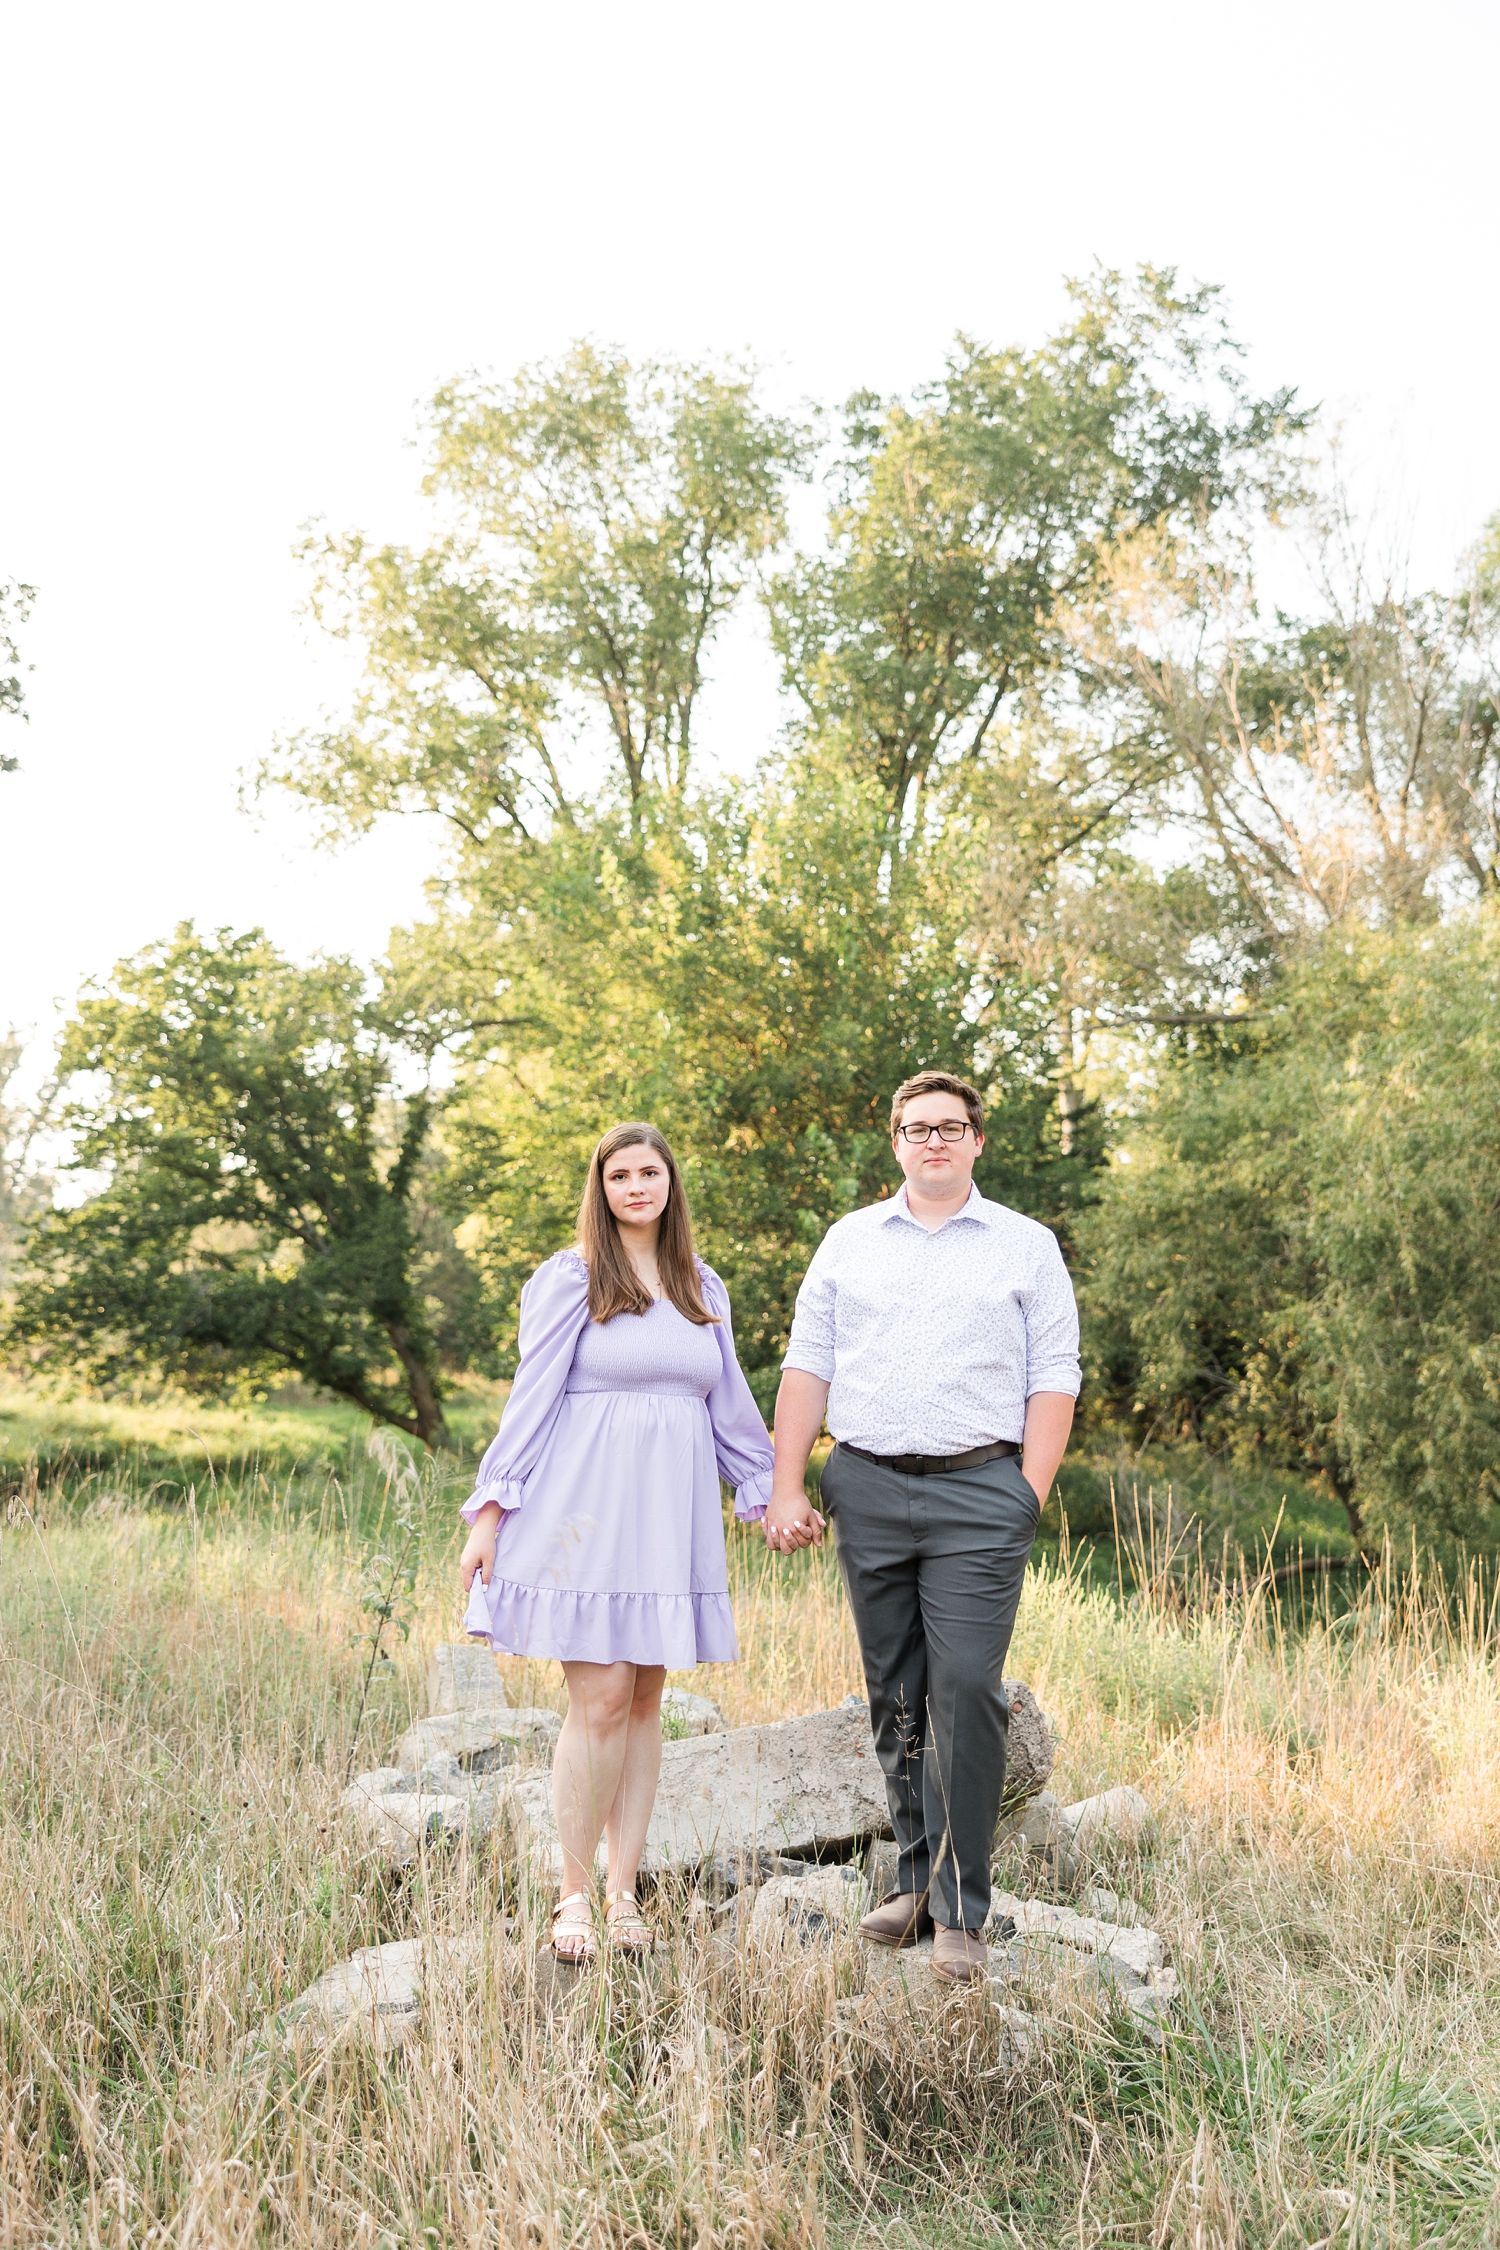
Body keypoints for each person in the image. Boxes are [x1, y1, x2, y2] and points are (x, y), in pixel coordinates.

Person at [764, 1069, 1079, 1984]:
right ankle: (914, 1882)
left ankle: (963, 1912)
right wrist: (790, 1485)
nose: (933, 1140)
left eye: (951, 1127)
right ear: (895, 1142)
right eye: (916, 1127)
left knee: (968, 1691)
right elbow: (806, 1365)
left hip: (981, 1490)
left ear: (978, 1141)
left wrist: (1028, 1492)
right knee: (895, 1692)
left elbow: (1055, 1374)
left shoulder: (1025, 1246)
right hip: (865, 1487)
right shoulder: (849, 1241)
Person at [458, 1122, 773, 1963]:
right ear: (600, 1189)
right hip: (585, 1513)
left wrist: (772, 1494)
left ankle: (624, 1892)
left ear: (672, 1185)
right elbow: (532, 1397)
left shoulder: (702, 1286)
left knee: (642, 1703)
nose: (636, 1187)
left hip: (670, 1522)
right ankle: (572, 1896)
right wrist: (491, 1510)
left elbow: (730, 1405)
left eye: (650, 1172)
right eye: (620, 1175)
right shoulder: (572, 1279)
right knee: (597, 1701)